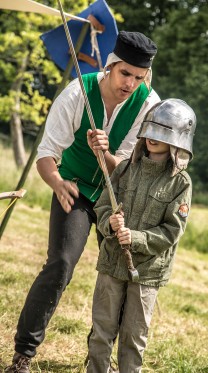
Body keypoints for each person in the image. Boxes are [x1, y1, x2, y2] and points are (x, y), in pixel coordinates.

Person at [5, 31, 160, 373]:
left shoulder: (149, 105)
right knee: (60, 263)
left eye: (139, 77)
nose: (130, 83)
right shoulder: (77, 93)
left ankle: (101, 359)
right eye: (125, 74)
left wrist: (105, 154)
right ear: (110, 66)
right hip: (73, 189)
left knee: (117, 276)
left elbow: (131, 171)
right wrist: (57, 182)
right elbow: (46, 154)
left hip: (116, 198)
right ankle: (23, 355)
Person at [86, 98, 197, 373]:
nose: (153, 138)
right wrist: (109, 223)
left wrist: (135, 238)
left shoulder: (180, 183)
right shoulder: (125, 169)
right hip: (112, 264)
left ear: (178, 140)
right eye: (152, 130)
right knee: (101, 331)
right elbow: (101, 205)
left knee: (133, 339)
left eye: (163, 132)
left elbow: (172, 230)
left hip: (146, 273)